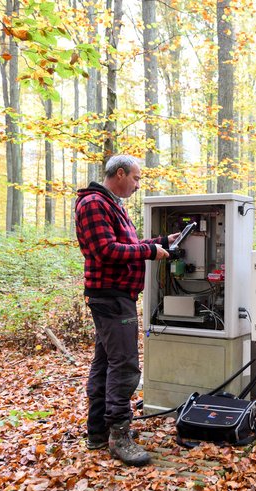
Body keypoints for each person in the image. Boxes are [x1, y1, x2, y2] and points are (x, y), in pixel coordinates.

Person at [75, 154, 177, 466]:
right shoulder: (94, 203)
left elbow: (124, 243)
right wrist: (150, 251)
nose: (137, 184)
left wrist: (161, 241)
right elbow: (106, 250)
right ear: (119, 174)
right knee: (125, 366)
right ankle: (119, 435)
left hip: (118, 294)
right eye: (135, 178)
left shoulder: (111, 204)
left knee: (107, 362)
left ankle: (97, 431)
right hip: (110, 296)